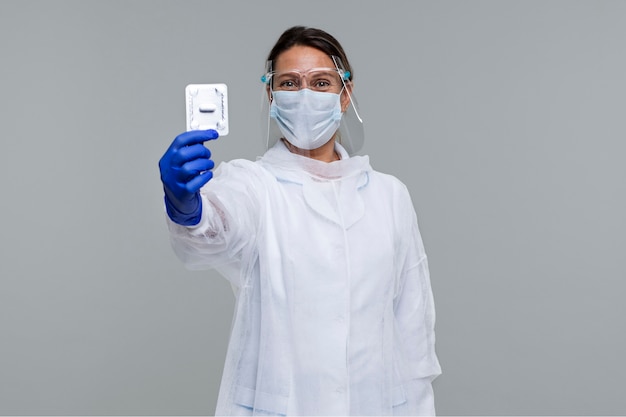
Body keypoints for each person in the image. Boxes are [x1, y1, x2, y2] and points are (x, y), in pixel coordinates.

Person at [159, 26, 441, 416]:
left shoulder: (389, 196)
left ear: (345, 95)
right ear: (272, 96)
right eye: (289, 83)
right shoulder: (254, 184)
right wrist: (186, 204)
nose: (304, 95)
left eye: (321, 82)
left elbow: (413, 332)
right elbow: (217, 227)